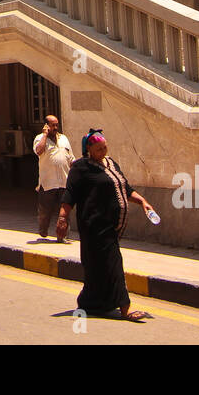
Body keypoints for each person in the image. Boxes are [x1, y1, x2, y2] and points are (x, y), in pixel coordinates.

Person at [56, 130, 155, 321]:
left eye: (105, 147)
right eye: (99, 148)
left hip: (111, 226)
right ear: (89, 149)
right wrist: (62, 218)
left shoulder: (111, 163)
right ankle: (125, 308)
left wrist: (142, 201)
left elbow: (125, 188)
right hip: (94, 226)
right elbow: (70, 194)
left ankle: (90, 303)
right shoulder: (80, 167)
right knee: (113, 263)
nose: (103, 150)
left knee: (96, 267)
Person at [33, 114, 74, 241]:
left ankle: (63, 235)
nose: (55, 127)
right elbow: (38, 151)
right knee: (45, 211)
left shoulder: (64, 139)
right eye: (52, 125)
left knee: (65, 212)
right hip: (48, 183)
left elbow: (71, 157)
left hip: (64, 181)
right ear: (46, 126)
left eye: (57, 125)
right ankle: (43, 230)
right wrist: (45, 135)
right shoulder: (40, 139)